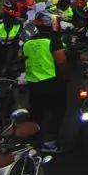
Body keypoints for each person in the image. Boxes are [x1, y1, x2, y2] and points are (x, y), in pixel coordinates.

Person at [20, 14, 68, 153]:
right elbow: (61, 60)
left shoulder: (27, 42)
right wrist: (66, 76)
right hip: (53, 82)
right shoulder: (53, 39)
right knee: (57, 111)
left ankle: (33, 142)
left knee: (36, 113)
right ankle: (50, 142)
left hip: (34, 83)